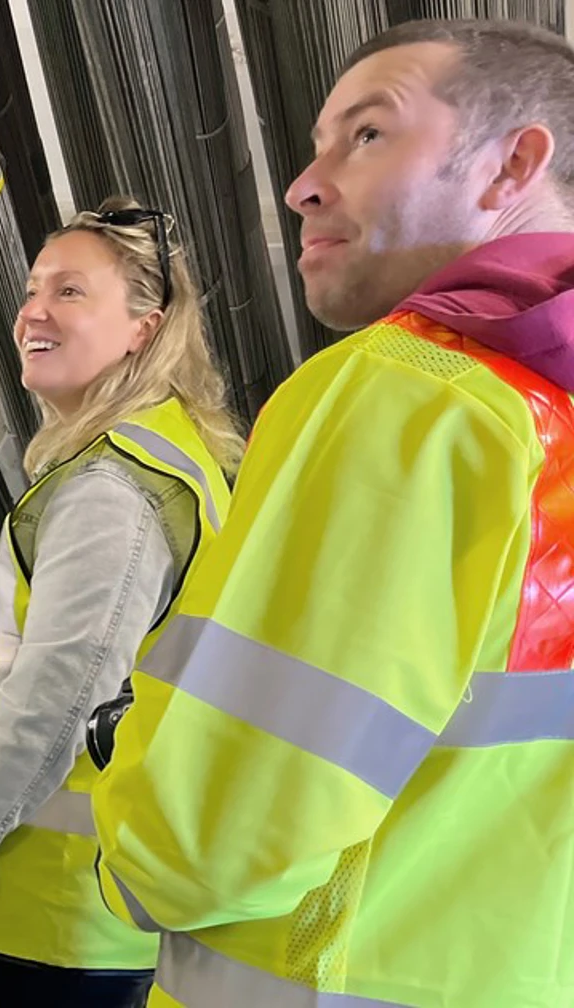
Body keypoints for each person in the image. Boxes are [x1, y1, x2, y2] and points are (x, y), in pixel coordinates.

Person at [89, 20, 574, 1006]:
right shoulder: (550, 423)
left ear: (510, 164)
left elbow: (216, 833)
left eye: (366, 136)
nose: (301, 186)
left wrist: (125, 849)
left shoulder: (417, 393)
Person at [0, 199, 243, 1006]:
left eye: (71, 292)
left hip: (59, 918)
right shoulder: (169, 455)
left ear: (143, 327)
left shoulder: (114, 489)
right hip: (93, 909)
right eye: (33, 288)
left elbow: (56, 701)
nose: (33, 311)